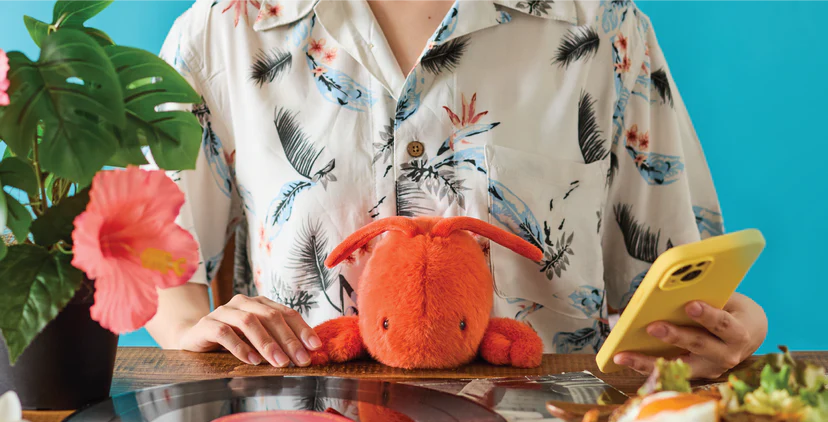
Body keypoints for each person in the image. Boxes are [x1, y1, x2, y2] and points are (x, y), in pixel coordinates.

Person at [146, 0, 768, 379]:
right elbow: (159, 271)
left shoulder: (603, 27)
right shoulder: (224, 30)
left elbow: (666, 289)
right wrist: (186, 329)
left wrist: (724, 330)